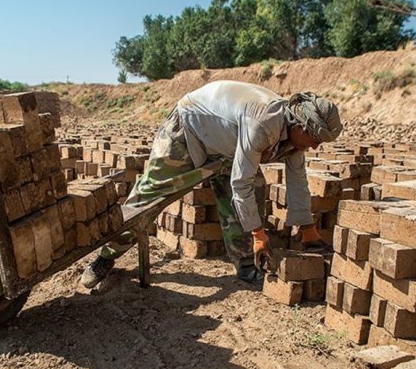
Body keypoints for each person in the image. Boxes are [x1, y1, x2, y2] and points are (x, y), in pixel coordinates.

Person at [80, 80, 343, 288]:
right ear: (299, 124)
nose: (316, 145)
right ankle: (105, 258)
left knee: (255, 188)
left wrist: (308, 228)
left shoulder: (295, 136)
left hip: (225, 145)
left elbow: (298, 180)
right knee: (149, 196)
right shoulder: (264, 124)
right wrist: (258, 234)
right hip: (188, 129)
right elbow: (242, 184)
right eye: (315, 138)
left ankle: (246, 266)